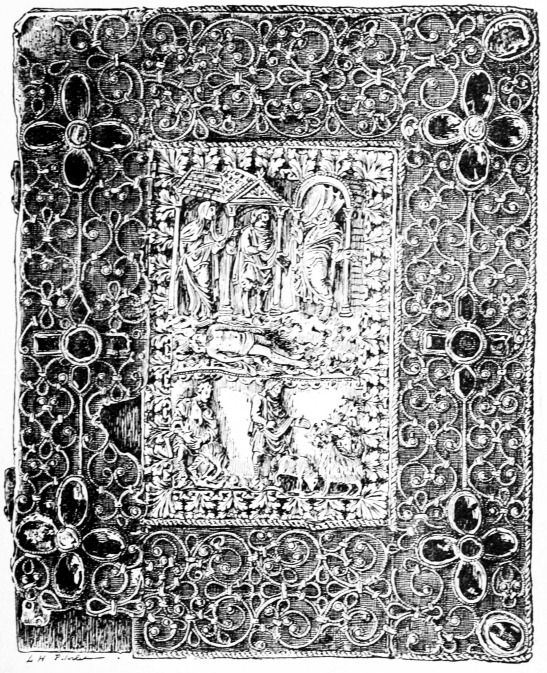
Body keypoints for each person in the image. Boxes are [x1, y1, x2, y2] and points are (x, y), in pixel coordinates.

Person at [249, 380, 310, 486]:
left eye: (280, 389)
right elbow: (254, 416)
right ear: (269, 387)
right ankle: (256, 476)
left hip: (274, 433)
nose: (278, 391)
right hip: (262, 431)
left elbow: (281, 419)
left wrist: (295, 422)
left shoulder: (277, 402)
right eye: (276, 388)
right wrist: (266, 422)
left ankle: (266, 478)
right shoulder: (258, 398)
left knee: (269, 456)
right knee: (258, 454)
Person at [171, 379, 228, 485]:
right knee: (180, 450)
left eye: (210, 393)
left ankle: (203, 476)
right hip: (184, 439)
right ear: (198, 391)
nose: (208, 396)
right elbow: (175, 424)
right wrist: (184, 436)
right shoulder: (185, 404)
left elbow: (213, 430)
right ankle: (183, 476)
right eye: (205, 393)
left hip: (200, 443)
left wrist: (201, 440)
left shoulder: (207, 411)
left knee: (210, 458)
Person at [177, 201, 226, 320]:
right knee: (202, 284)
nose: (213, 213)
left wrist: (223, 240)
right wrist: (183, 256)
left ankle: (207, 312)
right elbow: (182, 241)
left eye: (214, 210)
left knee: (206, 285)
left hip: (205, 260)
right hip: (193, 261)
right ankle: (199, 312)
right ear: (203, 211)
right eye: (211, 210)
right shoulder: (193, 227)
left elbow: (214, 249)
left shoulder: (211, 230)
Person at [190, 322, 309, 372]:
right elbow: (225, 358)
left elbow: (233, 327)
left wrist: (252, 329)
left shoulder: (213, 328)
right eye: (198, 340)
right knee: (268, 352)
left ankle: (290, 356)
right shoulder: (210, 350)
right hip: (245, 347)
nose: (200, 337)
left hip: (248, 336)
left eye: (198, 336)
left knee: (271, 343)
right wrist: (241, 358)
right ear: (200, 345)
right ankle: (295, 363)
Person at [301, 207, 346, 320]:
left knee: (318, 281)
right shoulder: (314, 229)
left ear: (327, 217)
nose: (318, 216)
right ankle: (319, 306)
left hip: (319, 258)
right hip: (307, 259)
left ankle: (328, 304)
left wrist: (345, 254)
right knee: (310, 283)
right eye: (319, 214)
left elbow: (335, 254)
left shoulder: (333, 230)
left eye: (321, 214)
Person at [235, 207, 277, 317]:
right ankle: (246, 309)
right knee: (248, 287)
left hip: (265, 263)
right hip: (252, 262)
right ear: (258, 216)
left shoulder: (268, 232)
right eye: (264, 214)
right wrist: (258, 248)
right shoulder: (249, 231)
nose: (267, 216)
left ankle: (258, 308)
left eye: (267, 213)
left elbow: (271, 247)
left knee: (262, 288)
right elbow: (245, 248)